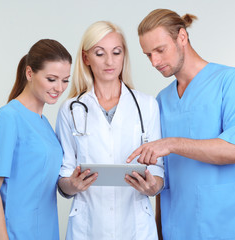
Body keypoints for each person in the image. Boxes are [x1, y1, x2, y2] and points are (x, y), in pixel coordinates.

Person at [127, 8, 235, 240]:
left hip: (229, 225)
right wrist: (159, 230)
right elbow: (164, 173)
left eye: (160, 50)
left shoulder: (231, 81)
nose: (154, 61)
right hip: (178, 226)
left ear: (182, 37)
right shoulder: (162, 100)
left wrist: (172, 143)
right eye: (148, 55)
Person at [56, 21, 164, 240]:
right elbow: (64, 174)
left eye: (116, 52)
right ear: (86, 58)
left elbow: (159, 171)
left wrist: (152, 187)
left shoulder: (147, 105)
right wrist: (72, 185)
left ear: (124, 56)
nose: (109, 61)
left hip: (135, 226)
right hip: (88, 226)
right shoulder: (70, 109)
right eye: (99, 53)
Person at [0, 39, 72, 240]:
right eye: (51, 79)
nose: (59, 87)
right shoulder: (9, 117)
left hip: (46, 232)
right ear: (30, 73)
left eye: (65, 80)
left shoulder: (45, 124)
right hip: (14, 234)